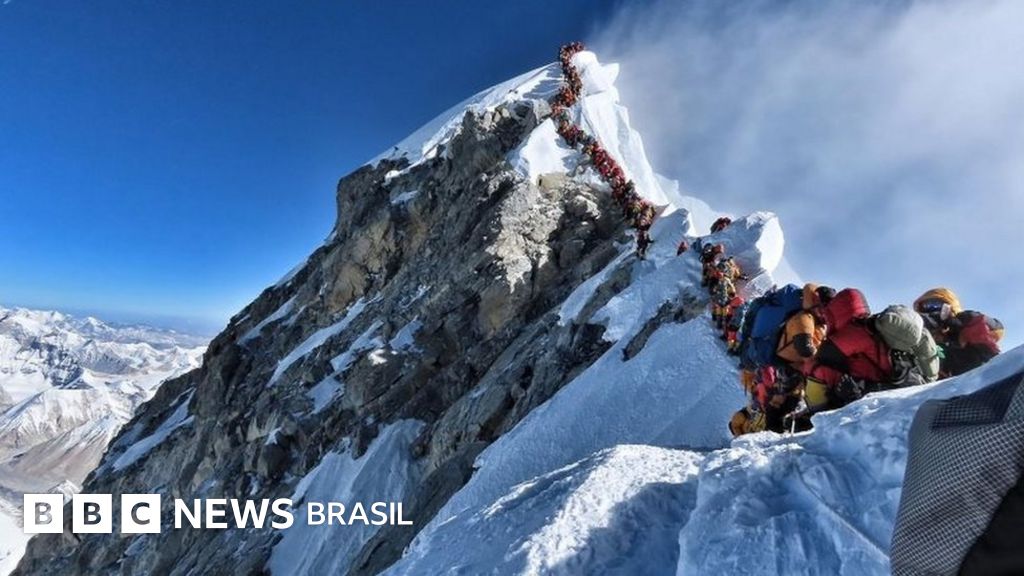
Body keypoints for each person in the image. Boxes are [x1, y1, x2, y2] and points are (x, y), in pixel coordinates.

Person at [914, 288, 1004, 377]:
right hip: (956, 383)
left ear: (949, 306)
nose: (930, 310)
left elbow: (996, 328)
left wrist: (960, 324)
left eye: (934, 304)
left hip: (990, 375)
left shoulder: (967, 321)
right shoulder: (928, 342)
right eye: (923, 308)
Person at [776, 284, 835, 373]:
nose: (824, 313)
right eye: (823, 308)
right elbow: (806, 350)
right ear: (815, 302)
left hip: (796, 363)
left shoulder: (818, 323)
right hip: (785, 364)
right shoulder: (804, 319)